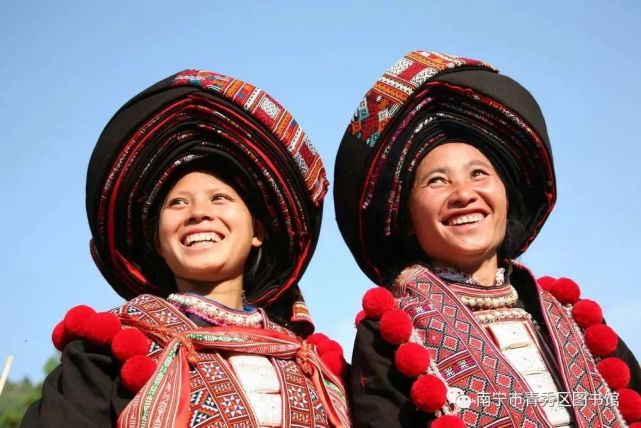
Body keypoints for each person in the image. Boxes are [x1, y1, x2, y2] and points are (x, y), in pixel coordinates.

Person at [23, 70, 350, 427]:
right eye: (177, 204)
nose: (198, 214)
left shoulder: (311, 364)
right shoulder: (107, 352)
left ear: (257, 232)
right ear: (158, 244)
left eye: (219, 198)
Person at [333, 51, 641, 427]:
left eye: (478, 174)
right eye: (437, 181)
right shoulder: (390, 332)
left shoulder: (572, 318)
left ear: (505, 198)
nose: (463, 194)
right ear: (409, 219)